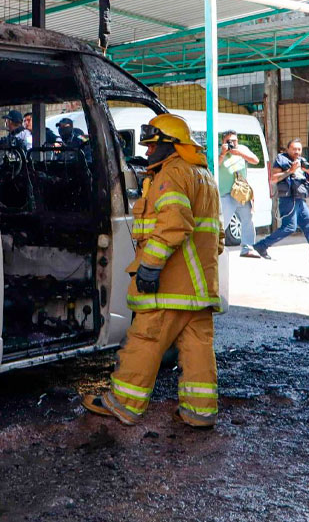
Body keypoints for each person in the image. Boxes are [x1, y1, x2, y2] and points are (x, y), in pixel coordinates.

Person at [82, 113, 223, 429]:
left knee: (145, 340)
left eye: (151, 146)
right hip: (201, 287)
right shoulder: (204, 176)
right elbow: (217, 236)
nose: (146, 153)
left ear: (170, 146)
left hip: (171, 286)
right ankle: (199, 412)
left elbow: (174, 224)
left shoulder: (170, 176)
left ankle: (124, 403)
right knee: (197, 348)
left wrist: (149, 267)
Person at [251, 138, 309, 263]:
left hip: (300, 199)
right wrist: (290, 171)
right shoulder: (282, 160)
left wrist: (307, 169)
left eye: (299, 149)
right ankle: (261, 246)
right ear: (288, 149)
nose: (297, 152)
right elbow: (273, 179)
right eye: (294, 149)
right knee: (289, 227)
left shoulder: (302, 161)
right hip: (288, 198)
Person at [218, 130, 260, 258]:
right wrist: (222, 154)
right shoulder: (218, 151)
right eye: (228, 141)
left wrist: (240, 152)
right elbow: (212, 166)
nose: (232, 144)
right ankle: (214, 246)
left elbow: (255, 160)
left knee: (248, 220)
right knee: (222, 222)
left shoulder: (242, 149)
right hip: (226, 193)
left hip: (241, 192)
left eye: (234, 141)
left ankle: (247, 247)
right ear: (223, 142)